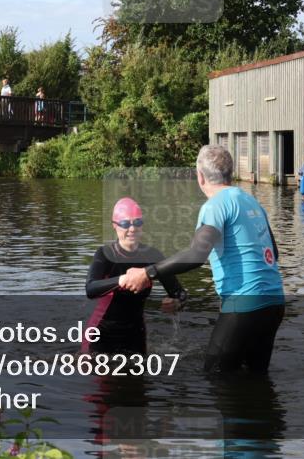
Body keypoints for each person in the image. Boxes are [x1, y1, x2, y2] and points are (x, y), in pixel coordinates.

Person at [120, 145, 284, 374]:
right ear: (230, 172)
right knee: (255, 378)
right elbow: (274, 254)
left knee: (215, 378)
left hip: (245, 304)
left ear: (200, 176)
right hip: (275, 303)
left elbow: (196, 255)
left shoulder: (215, 205)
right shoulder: (251, 201)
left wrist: (146, 273)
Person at [85, 198, 187, 355]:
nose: (132, 229)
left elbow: (179, 293)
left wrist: (176, 303)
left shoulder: (153, 256)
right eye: (125, 224)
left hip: (136, 335)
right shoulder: (105, 254)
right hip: (101, 335)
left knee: (139, 378)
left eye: (137, 223)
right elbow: (90, 289)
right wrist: (121, 280)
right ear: (115, 225)